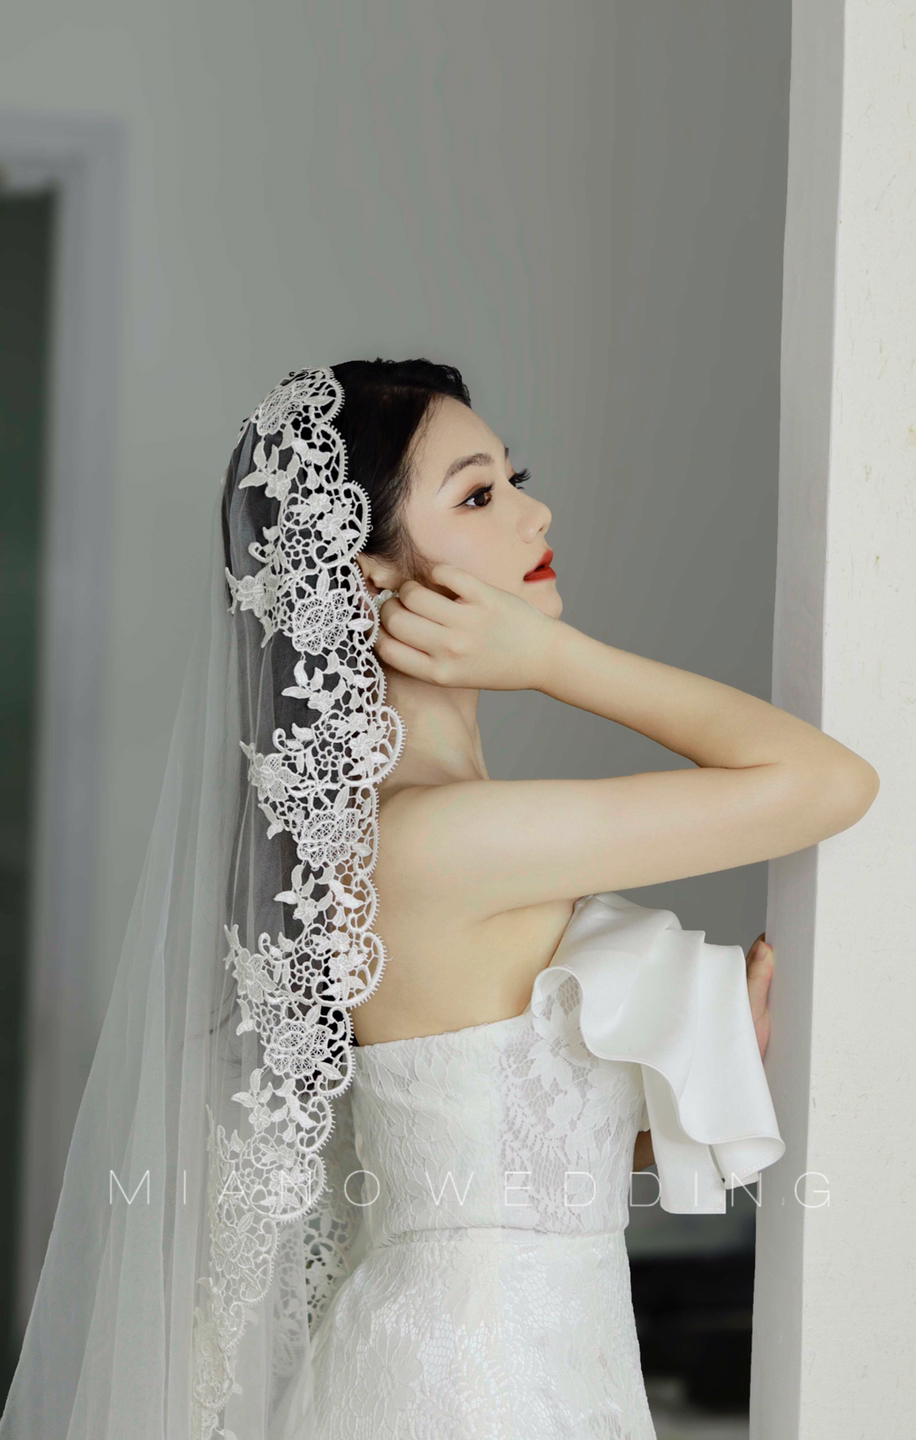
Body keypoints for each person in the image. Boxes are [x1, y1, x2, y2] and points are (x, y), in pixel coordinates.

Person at [0, 360, 877, 1440]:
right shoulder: (431, 834)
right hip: (472, 1389)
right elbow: (830, 784)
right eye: (477, 495)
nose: (532, 513)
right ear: (369, 572)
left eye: (515, 479)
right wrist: (556, 660)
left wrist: (668, 1103)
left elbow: (462, 1177)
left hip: (492, 1366)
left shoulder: (408, 824)